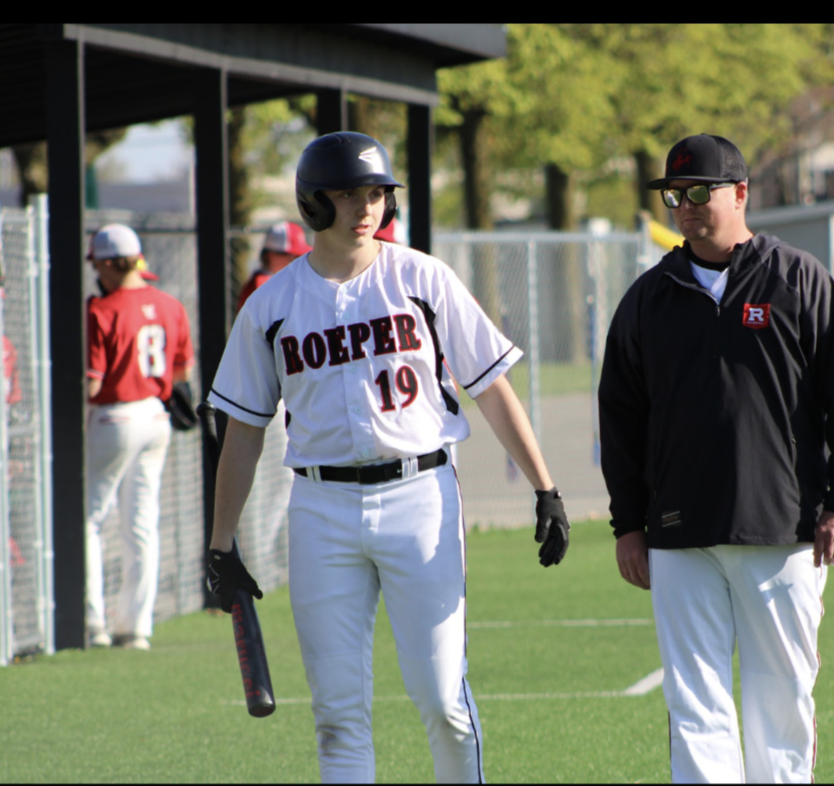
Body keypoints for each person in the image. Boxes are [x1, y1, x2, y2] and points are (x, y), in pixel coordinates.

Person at [204, 131, 570, 783]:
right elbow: (245, 430)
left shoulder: (422, 277)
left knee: (442, 699)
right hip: (320, 507)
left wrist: (546, 487)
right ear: (314, 204)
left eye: (376, 192)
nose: (366, 207)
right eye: (348, 194)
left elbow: (489, 386)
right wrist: (221, 545)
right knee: (338, 717)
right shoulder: (271, 305)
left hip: (420, 495)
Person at [598, 134, 834, 783]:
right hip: (677, 535)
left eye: (701, 192)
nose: (686, 206)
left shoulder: (798, 279)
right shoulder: (647, 297)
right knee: (694, 704)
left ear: (741, 193)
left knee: (782, 701)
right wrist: (628, 524)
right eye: (675, 195)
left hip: (782, 530)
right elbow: (620, 419)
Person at [84, 224, 194, 651]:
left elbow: (93, 385)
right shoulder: (169, 304)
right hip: (155, 415)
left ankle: (94, 622)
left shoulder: (102, 309)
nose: (96, 271)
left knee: (90, 521)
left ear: (111, 263)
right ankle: (137, 628)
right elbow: (182, 371)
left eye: (97, 263)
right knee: (141, 524)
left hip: (114, 416)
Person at [236, 221, 313, 312]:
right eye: (294, 257)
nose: (297, 262)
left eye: (300, 257)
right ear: (271, 255)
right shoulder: (261, 285)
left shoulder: (278, 280)